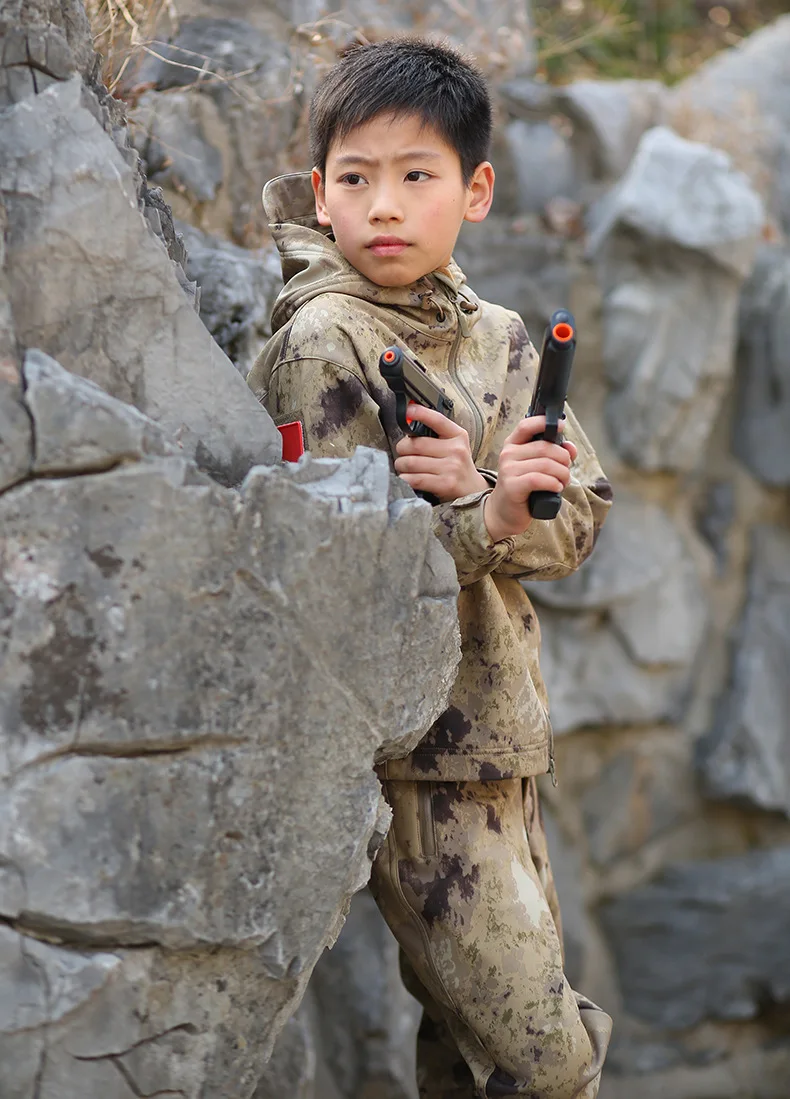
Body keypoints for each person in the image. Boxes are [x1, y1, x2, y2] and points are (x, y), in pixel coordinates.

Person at [248, 37, 614, 1099]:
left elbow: (578, 518)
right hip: (413, 753)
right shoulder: (326, 341)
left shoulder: (500, 338)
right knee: (545, 1060)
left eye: (418, 176)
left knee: (472, 1056)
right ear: (321, 196)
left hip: (498, 740)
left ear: (477, 190)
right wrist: (477, 510)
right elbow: (329, 562)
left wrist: (501, 496)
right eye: (356, 178)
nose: (385, 206)